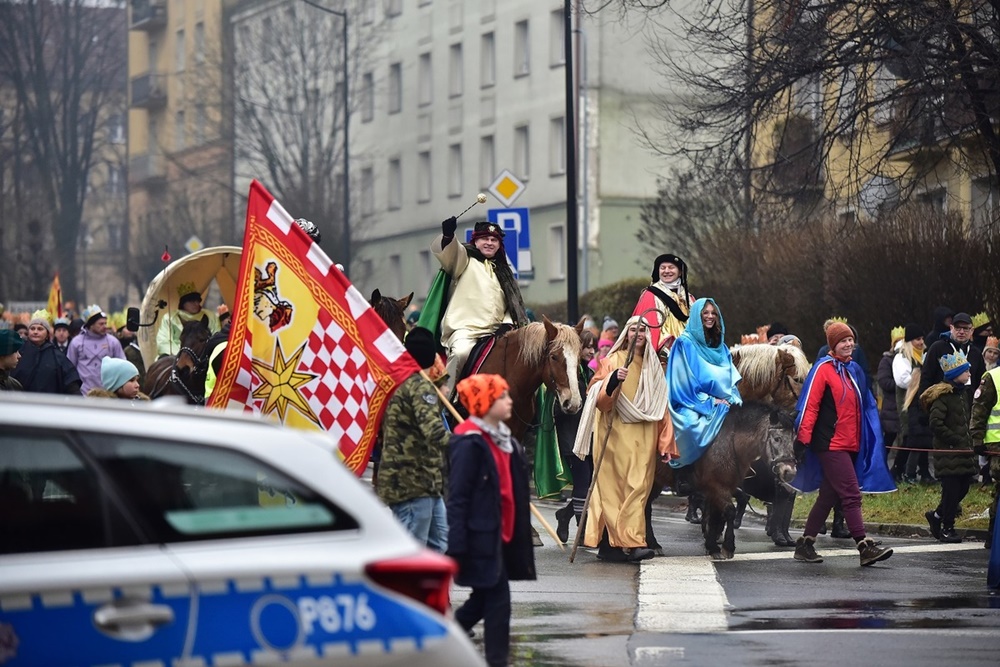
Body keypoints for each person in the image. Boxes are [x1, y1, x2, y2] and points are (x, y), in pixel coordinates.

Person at [447, 374, 535, 667]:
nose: (510, 401)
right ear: (484, 403)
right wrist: (457, 544)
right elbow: (458, 497)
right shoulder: (468, 440)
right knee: (498, 602)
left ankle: (439, 640)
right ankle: (497, 661)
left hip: (503, 535)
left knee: (482, 601)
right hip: (480, 535)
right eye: (502, 397)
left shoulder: (506, 440)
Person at [792, 322, 895, 567]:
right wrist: (802, 440)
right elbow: (810, 406)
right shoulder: (823, 369)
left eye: (850, 340)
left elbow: (865, 407)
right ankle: (863, 546)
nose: (848, 344)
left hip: (850, 444)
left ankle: (805, 544)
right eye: (842, 341)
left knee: (828, 495)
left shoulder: (855, 369)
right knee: (850, 493)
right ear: (833, 345)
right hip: (829, 444)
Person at [573, 317, 675, 562]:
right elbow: (595, 396)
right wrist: (612, 380)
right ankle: (618, 543)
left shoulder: (654, 367)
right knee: (613, 490)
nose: (638, 333)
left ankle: (626, 541)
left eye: (642, 330)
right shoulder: (612, 361)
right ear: (626, 335)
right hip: (614, 434)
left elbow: (662, 404)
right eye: (633, 330)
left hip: (644, 436)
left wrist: (666, 442)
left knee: (638, 487)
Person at [431, 218, 529, 396]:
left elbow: (512, 307)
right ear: (475, 241)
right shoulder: (465, 259)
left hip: (496, 334)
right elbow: (451, 254)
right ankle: (445, 403)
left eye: (494, 240)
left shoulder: (504, 271)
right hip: (465, 330)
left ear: (499, 244)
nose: (490, 243)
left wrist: (506, 324)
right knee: (461, 354)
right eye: (485, 238)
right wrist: (448, 236)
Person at [376, 327, 450, 552]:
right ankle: (400, 588)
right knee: (411, 550)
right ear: (431, 356)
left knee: (439, 545)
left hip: (425, 484)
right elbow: (433, 431)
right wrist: (467, 444)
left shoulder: (408, 382)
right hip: (411, 484)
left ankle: (434, 588)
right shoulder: (419, 386)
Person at [666, 298, 742, 492]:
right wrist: (709, 401)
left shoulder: (721, 347)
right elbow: (680, 383)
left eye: (713, 313)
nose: (709, 317)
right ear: (696, 316)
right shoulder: (684, 344)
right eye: (705, 313)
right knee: (690, 424)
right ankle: (683, 473)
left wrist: (734, 399)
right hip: (691, 401)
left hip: (721, 401)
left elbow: (730, 379)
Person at [921, 351, 976, 543]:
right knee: (952, 491)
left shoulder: (962, 394)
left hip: (962, 452)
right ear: (955, 375)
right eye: (966, 371)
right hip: (949, 453)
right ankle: (947, 527)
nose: (969, 374)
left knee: (964, 488)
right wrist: (953, 439)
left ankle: (936, 516)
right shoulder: (943, 396)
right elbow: (936, 423)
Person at [553, 329, 596, 543]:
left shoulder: (588, 373)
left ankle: (566, 514)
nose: (591, 351)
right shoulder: (569, 375)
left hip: (589, 437)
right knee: (582, 481)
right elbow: (560, 407)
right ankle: (582, 529)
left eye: (592, 346)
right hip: (572, 438)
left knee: (590, 483)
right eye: (586, 347)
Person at [631, 253, 695, 356]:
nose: (666, 271)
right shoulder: (650, 295)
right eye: (662, 268)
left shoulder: (689, 299)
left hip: (689, 353)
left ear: (680, 272)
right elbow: (647, 329)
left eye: (671, 267)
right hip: (663, 356)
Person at [11, 311, 81, 395]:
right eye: (32, 328)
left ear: (47, 334)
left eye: (40, 329)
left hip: (48, 404)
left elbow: (71, 383)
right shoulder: (17, 351)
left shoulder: (57, 356)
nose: (35, 332)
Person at [971, 351, 1000, 546]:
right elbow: (979, 409)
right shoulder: (993, 377)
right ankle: (993, 535)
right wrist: (977, 438)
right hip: (998, 443)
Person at [892, 323, 926, 482]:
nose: (921, 342)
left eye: (922, 338)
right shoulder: (901, 357)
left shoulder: (921, 355)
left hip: (919, 402)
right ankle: (898, 469)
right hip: (907, 402)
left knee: (919, 436)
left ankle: (913, 471)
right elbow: (902, 380)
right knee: (908, 437)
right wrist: (921, 378)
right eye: (917, 339)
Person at [67, 305, 126, 395]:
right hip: (84, 393)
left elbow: (122, 366)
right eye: (101, 324)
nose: (105, 326)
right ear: (91, 325)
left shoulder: (113, 342)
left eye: (105, 323)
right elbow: (70, 368)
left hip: (107, 393)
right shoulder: (76, 342)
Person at [156, 283, 220, 358]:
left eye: (197, 301)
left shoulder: (210, 316)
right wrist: (181, 355)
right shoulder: (170, 318)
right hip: (174, 356)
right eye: (191, 301)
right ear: (183, 303)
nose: (196, 304)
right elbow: (163, 341)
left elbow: (216, 336)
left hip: (204, 356)